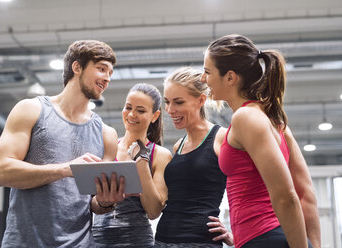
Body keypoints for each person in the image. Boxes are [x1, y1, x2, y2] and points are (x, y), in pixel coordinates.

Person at [0, 40, 125, 247]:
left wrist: (105, 201)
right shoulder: (30, 110)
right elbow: (0, 172)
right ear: (77, 67)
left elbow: (93, 204)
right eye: (101, 69)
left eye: (110, 73)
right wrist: (66, 169)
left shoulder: (106, 134)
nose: (107, 78)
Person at [202, 34, 321, 248]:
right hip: (269, 238)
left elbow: (287, 197)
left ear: (230, 77)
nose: (203, 79)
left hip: (265, 238)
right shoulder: (275, 122)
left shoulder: (246, 117)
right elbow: (307, 194)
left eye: (207, 72)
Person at [155, 67, 234, 248]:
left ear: (200, 100)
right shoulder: (178, 146)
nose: (170, 109)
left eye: (178, 102)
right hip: (162, 239)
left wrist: (234, 233)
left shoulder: (222, 138)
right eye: (167, 102)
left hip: (200, 241)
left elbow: (251, 186)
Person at [92, 83, 172, 247]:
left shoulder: (160, 155)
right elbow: (89, 203)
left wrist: (141, 162)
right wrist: (102, 202)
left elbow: (153, 211)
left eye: (141, 110)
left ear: (154, 116)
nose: (131, 114)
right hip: (99, 238)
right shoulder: (105, 147)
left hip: (137, 240)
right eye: (128, 107)